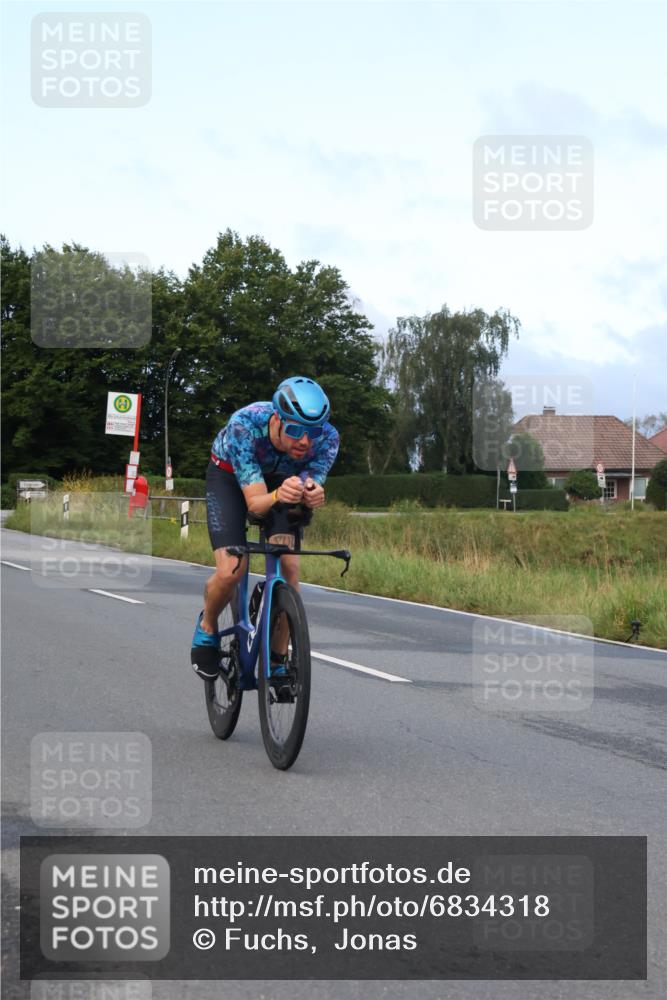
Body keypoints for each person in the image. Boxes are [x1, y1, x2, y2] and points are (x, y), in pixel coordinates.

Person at [191, 376, 339, 679]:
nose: (305, 442)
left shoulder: (329, 438)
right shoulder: (244, 426)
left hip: (283, 481)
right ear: (276, 419)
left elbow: (308, 487)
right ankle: (207, 627)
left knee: (290, 569)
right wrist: (275, 495)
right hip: (231, 478)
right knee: (232, 568)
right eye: (296, 430)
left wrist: (312, 494)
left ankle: (277, 657)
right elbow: (256, 504)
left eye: (313, 432)